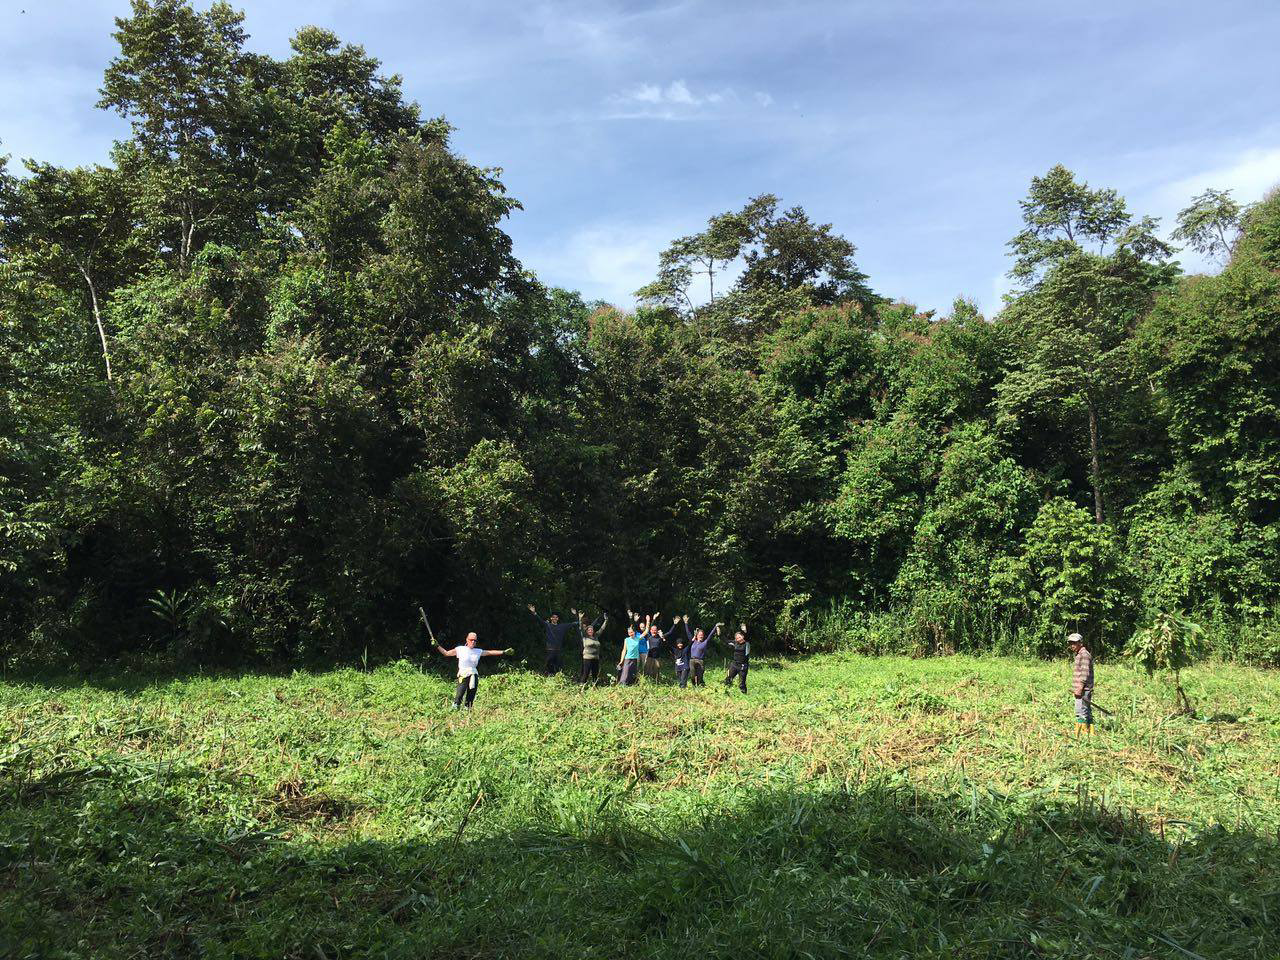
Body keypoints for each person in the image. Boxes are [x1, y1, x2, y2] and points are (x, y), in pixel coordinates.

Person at [436, 632, 512, 710]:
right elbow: (446, 653)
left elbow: (490, 652)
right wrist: (437, 645)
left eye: (475, 640)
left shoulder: (478, 651)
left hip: (473, 674)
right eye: (471, 640)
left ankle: (467, 711)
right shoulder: (460, 649)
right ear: (467, 640)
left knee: (471, 695)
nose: (473, 642)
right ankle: (455, 708)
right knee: (460, 693)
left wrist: (503, 652)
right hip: (463, 674)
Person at [528, 604, 577, 676]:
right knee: (548, 665)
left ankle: (557, 678)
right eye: (553, 617)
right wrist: (534, 613)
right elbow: (540, 620)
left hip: (558, 649)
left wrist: (575, 615)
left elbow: (575, 623)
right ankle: (547, 677)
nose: (555, 618)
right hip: (550, 649)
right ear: (551, 618)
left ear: (558, 619)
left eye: (556, 617)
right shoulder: (548, 625)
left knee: (558, 666)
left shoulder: (562, 626)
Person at [1068, 631, 1094, 737]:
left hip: (1083, 689)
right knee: (1086, 711)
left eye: (1074, 643)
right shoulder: (1080, 654)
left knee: (1081, 711)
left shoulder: (1084, 655)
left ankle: (1081, 734)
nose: (1072, 646)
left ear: (1080, 643)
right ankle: (1090, 733)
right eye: (1070, 643)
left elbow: (1084, 674)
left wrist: (1079, 688)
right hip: (1081, 688)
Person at [575, 608, 607, 687]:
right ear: (586, 631)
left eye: (591, 630)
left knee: (595, 674)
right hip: (587, 658)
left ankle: (594, 687)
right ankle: (581, 687)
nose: (590, 631)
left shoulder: (596, 636)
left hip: (596, 658)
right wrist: (580, 618)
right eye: (589, 630)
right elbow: (581, 628)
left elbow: (602, 629)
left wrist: (606, 620)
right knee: (585, 674)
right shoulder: (584, 636)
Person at [687, 617, 722, 687]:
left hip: (700, 660)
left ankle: (700, 686)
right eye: (699, 634)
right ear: (696, 635)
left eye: (702, 635)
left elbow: (710, 635)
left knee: (700, 676)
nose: (701, 635)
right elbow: (688, 632)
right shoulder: (693, 641)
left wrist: (715, 627)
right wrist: (686, 623)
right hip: (692, 660)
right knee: (692, 675)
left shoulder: (705, 642)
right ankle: (694, 685)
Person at [644, 616, 682, 681]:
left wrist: (674, 624)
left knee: (656, 670)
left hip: (657, 657)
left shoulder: (660, 637)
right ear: (650, 630)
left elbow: (670, 632)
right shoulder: (648, 636)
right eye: (652, 630)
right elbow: (643, 629)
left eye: (655, 630)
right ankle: (647, 681)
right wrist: (649, 620)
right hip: (649, 657)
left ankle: (656, 682)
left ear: (657, 631)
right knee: (648, 670)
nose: (654, 631)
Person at [617, 615, 649, 686]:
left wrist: (648, 621)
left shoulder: (637, 638)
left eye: (631, 632)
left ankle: (632, 684)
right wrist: (621, 660)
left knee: (633, 673)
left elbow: (646, 631)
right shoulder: (627, 639)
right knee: (625, 673)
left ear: (634, 632)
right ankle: (622, 685)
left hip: (635, 659)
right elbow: (624, 650)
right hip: (628, 658)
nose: (630, 634)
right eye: (629, 633)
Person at [723, 623, 749, 693]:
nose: (738, 639)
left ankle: (744, 696)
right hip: (734, 665)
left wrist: (744, 630)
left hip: (743, 666)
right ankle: (725, 692)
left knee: (741, 684)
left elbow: (747, 636)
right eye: (737, 638)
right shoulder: (735, 643)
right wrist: (719, 633)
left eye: (739, 637)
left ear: (743, 637)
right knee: (728, 679)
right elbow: (726, 641)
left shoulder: (747, 644)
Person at [671, 623, 692, 688]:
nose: (680, 644)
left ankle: (683, 693)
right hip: (678, 668)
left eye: (681, 643)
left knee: (683, 681)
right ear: (677, 644)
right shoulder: (675, 650)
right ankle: (682, 691)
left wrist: (686, 624)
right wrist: (663, 638)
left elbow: (690, 642)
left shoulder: (685, 649)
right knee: (680, 681)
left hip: (685, 667)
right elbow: (667, 645)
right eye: (678, 643)